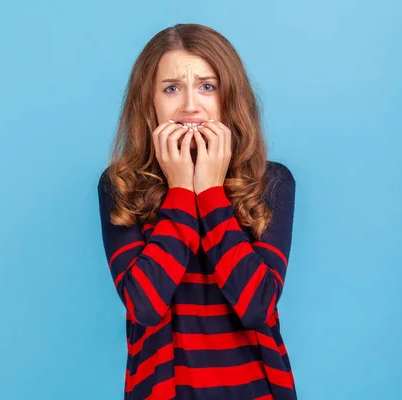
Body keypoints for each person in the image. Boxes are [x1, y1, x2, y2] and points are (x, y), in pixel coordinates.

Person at [98, 23, 297, 400]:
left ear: (228, 97)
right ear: (149, 102)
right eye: (171, 88)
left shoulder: (271, 182)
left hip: (256, 389)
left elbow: (257, 307)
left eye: (207, 86)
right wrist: (180, 190)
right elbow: (143, 304)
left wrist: (208, 191)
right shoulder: (120, 185)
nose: (190, 105)